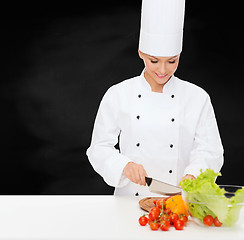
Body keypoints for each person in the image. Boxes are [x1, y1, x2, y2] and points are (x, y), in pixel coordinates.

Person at [86, 0, 224, 196]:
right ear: (141, 53)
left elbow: (211, 151)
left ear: (179, 55)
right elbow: (98, 148)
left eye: (172, 61)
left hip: (179, 201)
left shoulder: (197, 97)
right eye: (154, 60)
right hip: (129, 202)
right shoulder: (118, 94)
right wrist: (124, 165)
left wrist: (194, 174)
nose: (162, 70)